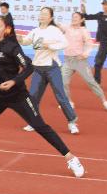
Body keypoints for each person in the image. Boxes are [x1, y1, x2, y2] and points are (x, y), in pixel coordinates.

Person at [0, 5, 84, 178]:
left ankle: (71, 158)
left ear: (5, 29)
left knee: (40, 126)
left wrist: (14, 81)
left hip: (18, 96)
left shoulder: (11, 46)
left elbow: (29, 66)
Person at [17, 7, 80, 135]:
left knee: (60, 96)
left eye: (45, 14)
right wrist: (20, 39)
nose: (42, 15)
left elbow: (64, 43)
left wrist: (49, 46)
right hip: (38, 68)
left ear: (51, 18)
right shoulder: (34, 31)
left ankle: (72, 122)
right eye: (41, 13)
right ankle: (33, 122)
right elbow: (26, 41)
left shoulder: (55, 31)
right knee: (33, 96)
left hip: (52, 67)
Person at [62, 11, 107, 111]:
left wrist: (85, 54)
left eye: (76, 17)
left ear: (82, 20)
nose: (74, 19)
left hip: (80, 61)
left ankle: (104, 101)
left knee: (91, 81)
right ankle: (69, 101)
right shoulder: (66, 28)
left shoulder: (83, 30)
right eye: (73, 17)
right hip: (68, 60)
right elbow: (58, 25)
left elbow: (89, 43)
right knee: (63, 82)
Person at [81, 0, 107, 92]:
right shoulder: (99, 15)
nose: (105, 6)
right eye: (104, 4)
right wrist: (84, 11)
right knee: (98, 64)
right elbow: (87, 17)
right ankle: (97, 84)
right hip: (102, 44)